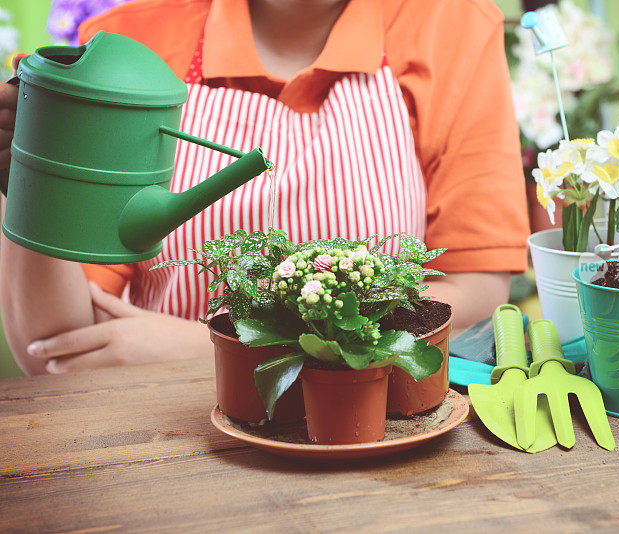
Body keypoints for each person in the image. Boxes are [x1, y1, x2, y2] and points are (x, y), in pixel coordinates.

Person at [0, 0, 529, 375]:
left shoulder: (452, 26)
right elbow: (57, 344)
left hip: (366, 422)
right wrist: (29, 179)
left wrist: (213, 346)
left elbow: (476, 300)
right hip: (156, 431)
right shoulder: (130, 45)